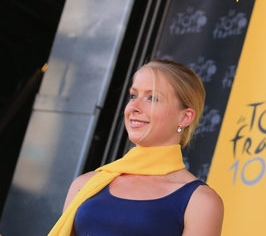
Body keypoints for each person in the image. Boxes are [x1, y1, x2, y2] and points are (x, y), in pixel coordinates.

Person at [47, 59, 224, 236]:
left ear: (185, 117)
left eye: (152, 98)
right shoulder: (85, 184)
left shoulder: (201, 201)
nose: (134, 107)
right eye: (133, 95)